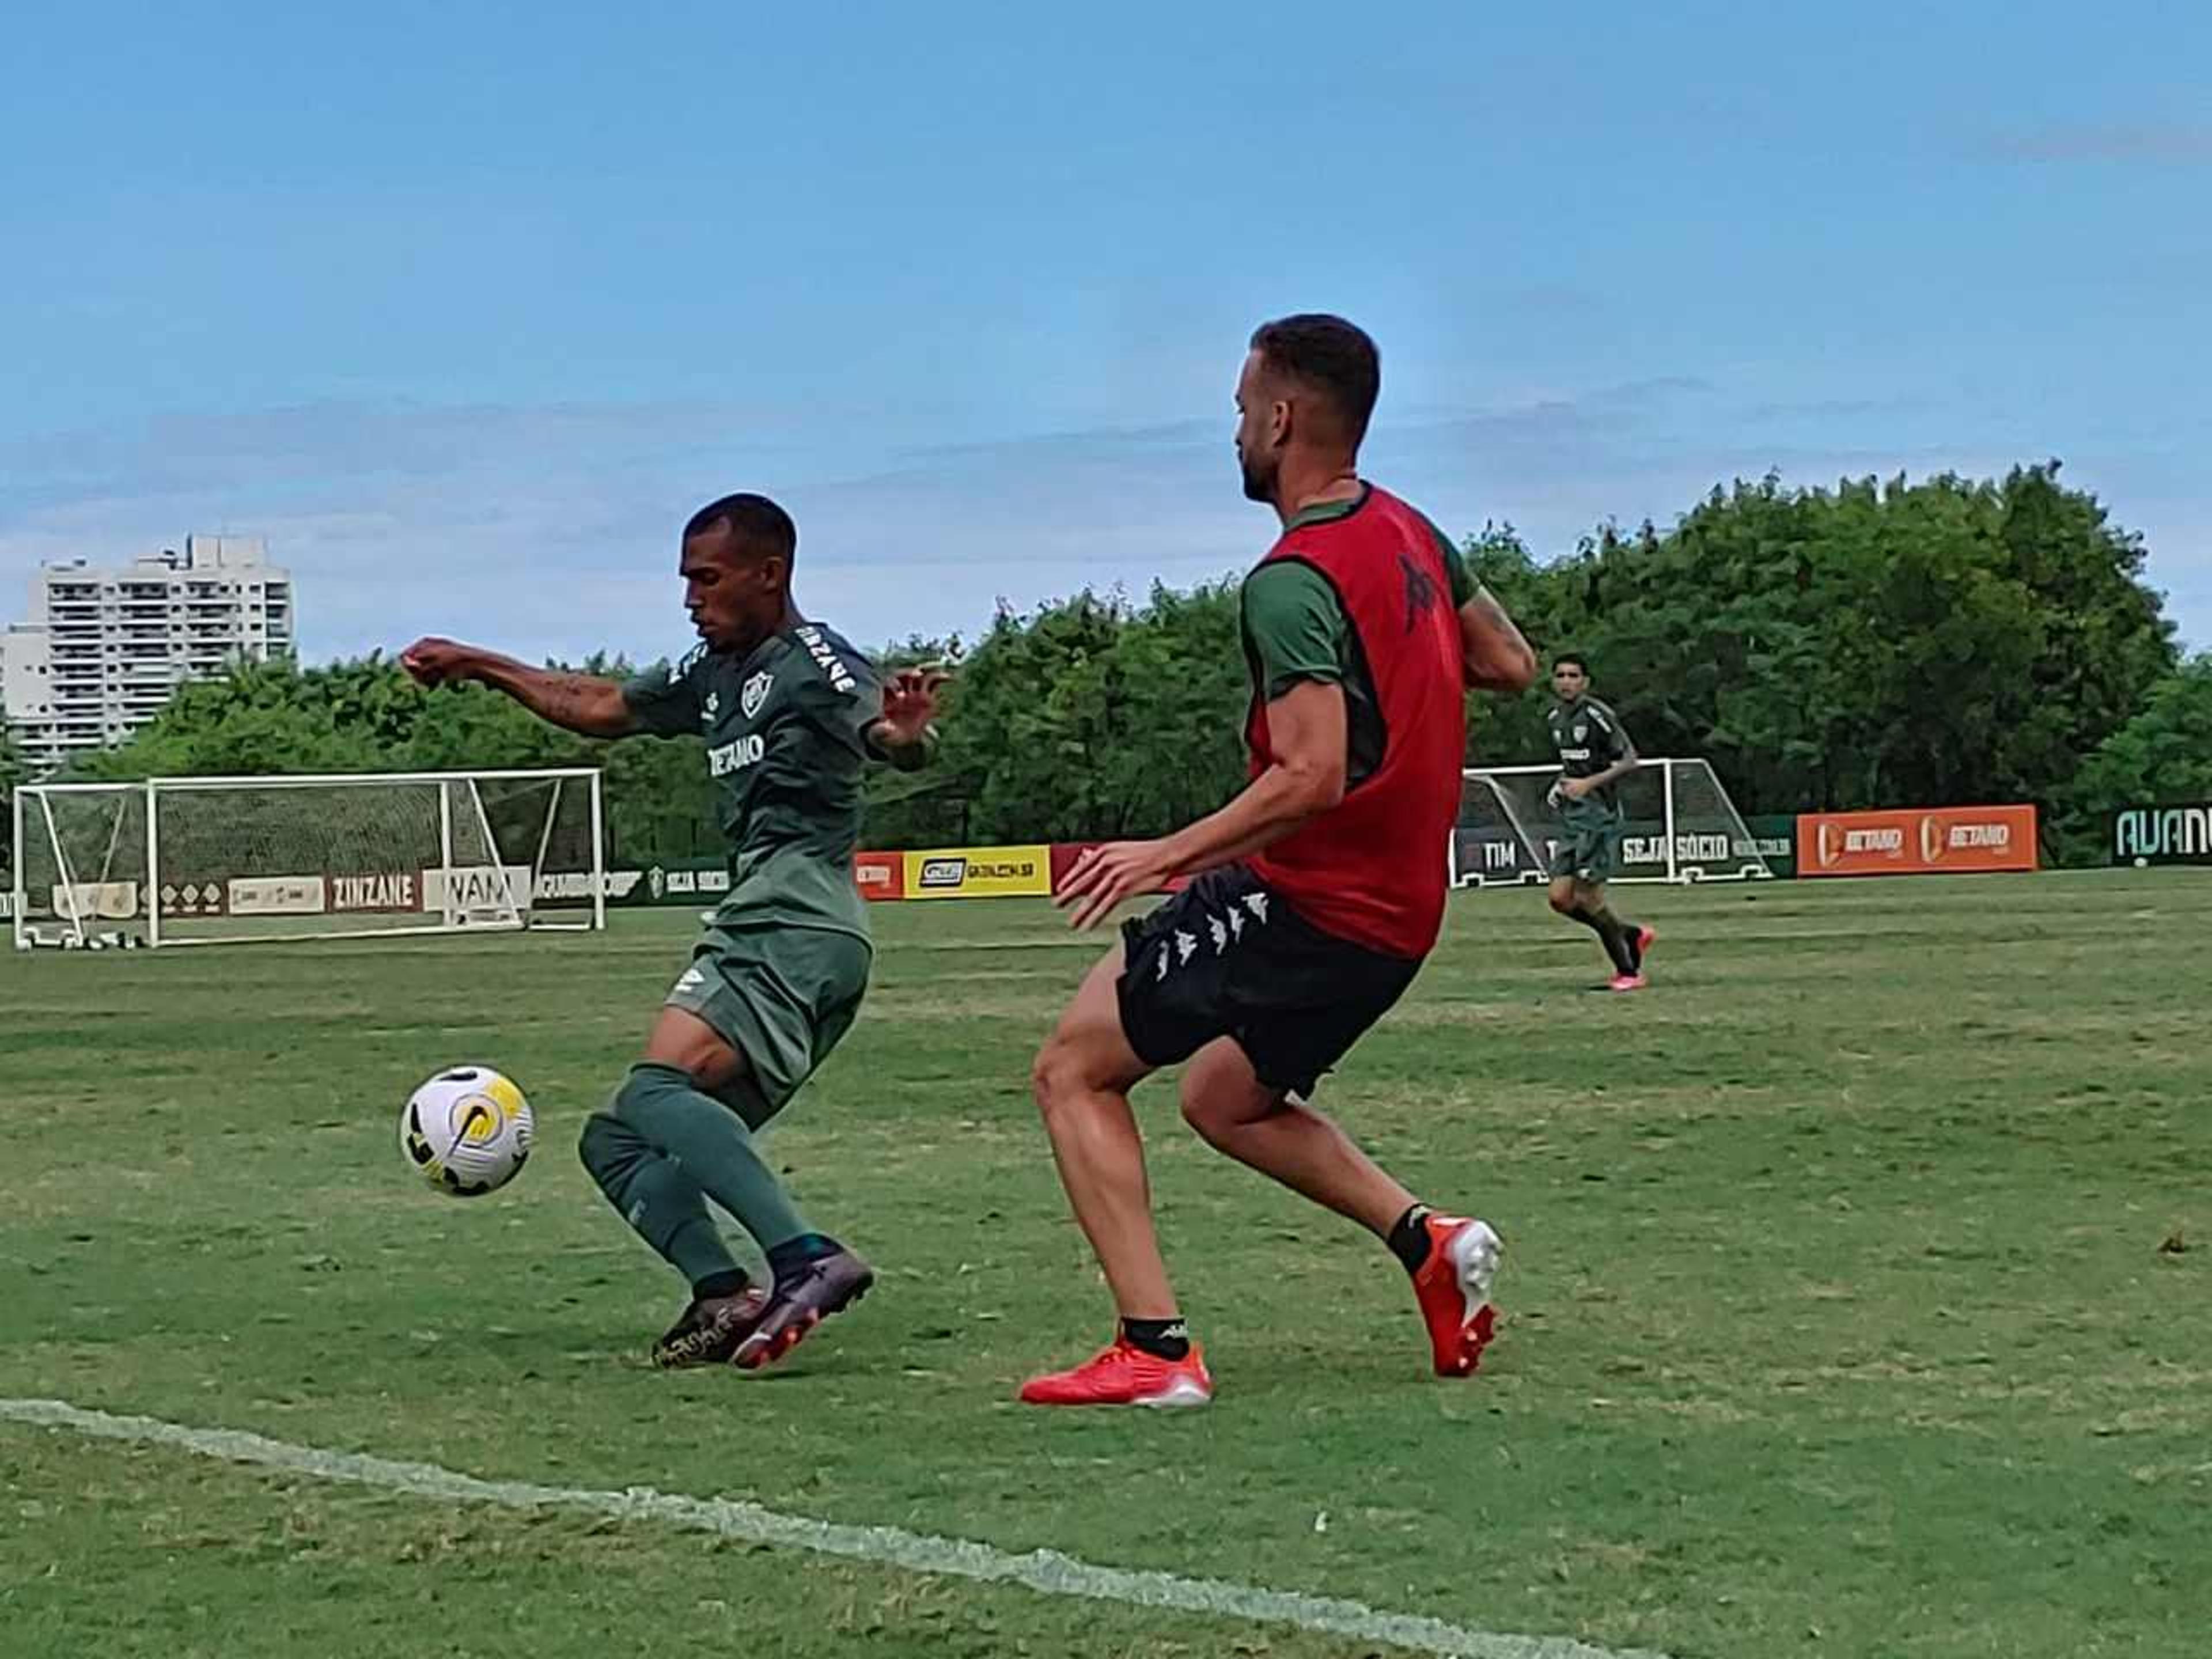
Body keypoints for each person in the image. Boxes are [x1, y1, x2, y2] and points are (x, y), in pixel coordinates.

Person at [1022, 315, 1539, 1408]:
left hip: (1312, 901)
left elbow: (1311, 775)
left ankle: (1154, 1352)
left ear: (1282, 416)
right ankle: (1427, 1242)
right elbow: (1509, 661)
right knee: (1223, 1098)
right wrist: (1401, 676)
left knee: (1073, 1068)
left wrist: (1164, 853)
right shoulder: (1411, 531)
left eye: (1240, 409)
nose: (1236, 430)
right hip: (1400, 919)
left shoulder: (1291, 579)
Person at [400, 493, 943, 1371]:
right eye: (685, 579)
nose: (690, 596)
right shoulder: (711, 673)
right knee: (616, 1139)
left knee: (658, 1094)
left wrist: (905, 737)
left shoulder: (812, 660)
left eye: (708, 578)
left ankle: (807, 1259)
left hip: (796, 916)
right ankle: (723, 1293)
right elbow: (600, 705)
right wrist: (478, 665)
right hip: (783, 928)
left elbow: (885, 729)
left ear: (770, 574)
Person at [1543, 654, 1654, 991]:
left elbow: (1629, 758)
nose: (1566, 681)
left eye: (1573, 675)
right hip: (1573, 818)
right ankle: (1629, 934)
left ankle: (1629, 972)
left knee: (1589, 897)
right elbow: (1575, 764)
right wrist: (1561, 784)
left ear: (1585, 682)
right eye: (1560, 675)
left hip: (1598, 817)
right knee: (1560, 899)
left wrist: (1588, 785)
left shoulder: (1596, 715)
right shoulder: (1555, 718)